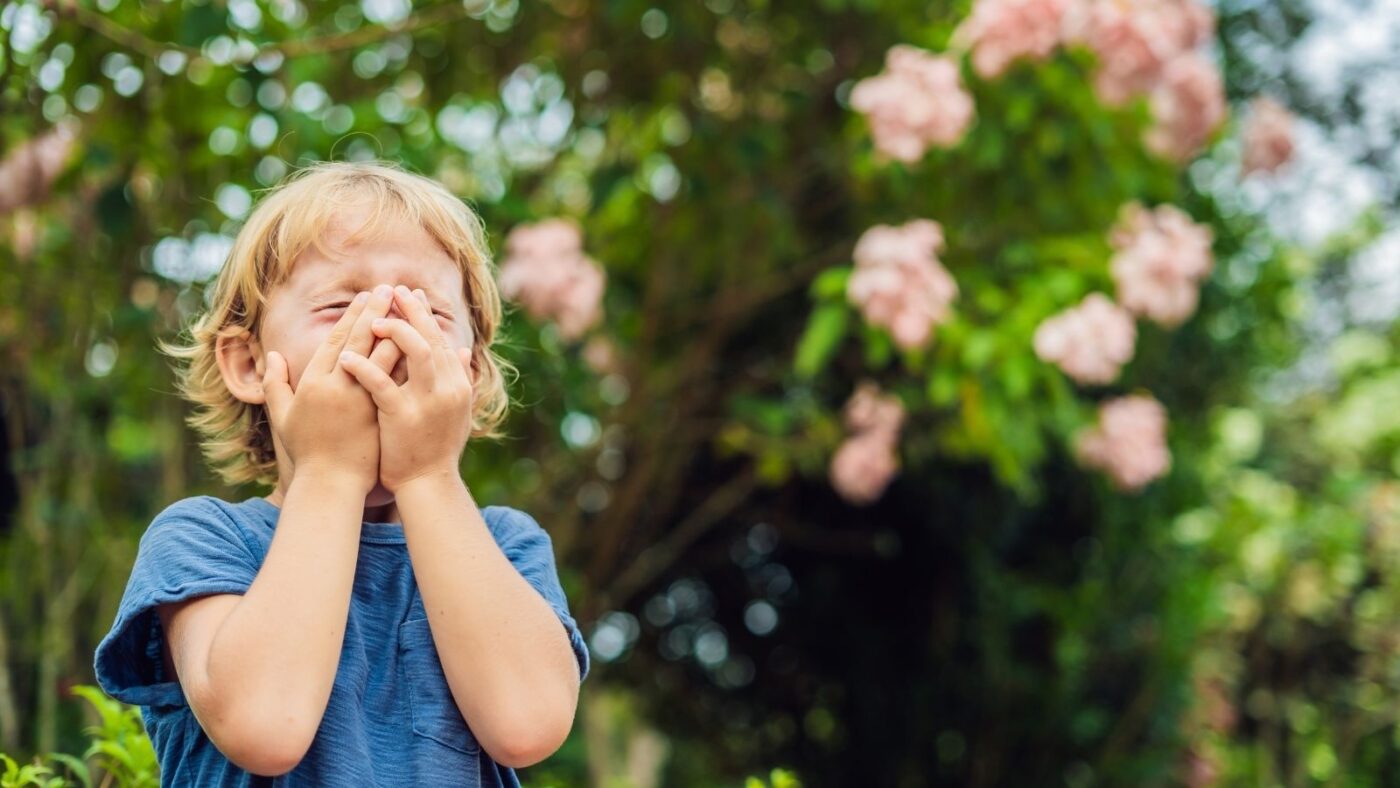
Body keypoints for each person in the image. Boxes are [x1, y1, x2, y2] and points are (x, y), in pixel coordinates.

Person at [93, 161, 590, 787]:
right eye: (339, 305)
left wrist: (429, 476)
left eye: (430, 313)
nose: (387, 327)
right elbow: (265, 728)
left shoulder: (506, 546)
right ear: (249, 364)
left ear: (469, 376)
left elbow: (528, 727)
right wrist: (329, 470)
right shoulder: (201, 539)